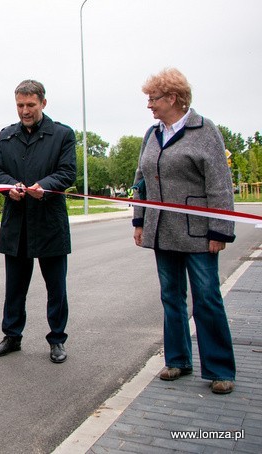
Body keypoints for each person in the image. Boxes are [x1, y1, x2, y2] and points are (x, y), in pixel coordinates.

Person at [132, 68, 236, 394]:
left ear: (172, 98)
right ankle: (177, 360)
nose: (149, 105)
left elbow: (220, 184)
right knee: (171, 298)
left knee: (206, 298)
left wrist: (220, 230)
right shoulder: (152, 134)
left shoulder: (205, 131)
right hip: (162, 231)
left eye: (153, 98)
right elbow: (141, 180)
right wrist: (139, 221)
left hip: (198, 233)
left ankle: (220, 369)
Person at [0, 79, 76, 363]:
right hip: (16, 223)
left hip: (49, 222)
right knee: (14, 287)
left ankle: (57, 339)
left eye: (30, 105)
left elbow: (67, 172)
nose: (25, 111)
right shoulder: (6, 135)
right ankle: (12, 336)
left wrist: (45, 186)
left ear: (43, 103)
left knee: (56, 288)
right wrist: (8, 186)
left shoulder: (62, 134)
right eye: (20, 105)